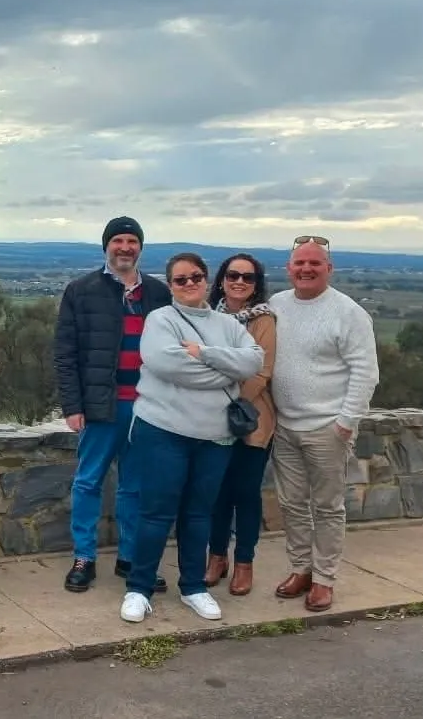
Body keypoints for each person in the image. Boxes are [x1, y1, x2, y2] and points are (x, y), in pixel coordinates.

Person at [119, 252, 263, 624]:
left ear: (206, 279)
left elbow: (253, 361)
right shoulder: (160, 320)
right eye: (181, 279)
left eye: (196, 277)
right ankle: (139, 587)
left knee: (199, 514)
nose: (190, 284)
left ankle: (193, 587)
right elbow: (167, 364)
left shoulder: (227, 324)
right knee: (155, 512)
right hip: (163, 431)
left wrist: (205, 354)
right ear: (170, 285)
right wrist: (227, 371)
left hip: (214, 437)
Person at [53, 216, 172, 594]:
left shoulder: (158, 293)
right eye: (118, 240)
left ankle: (130, 557)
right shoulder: (81, 291)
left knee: (134, 486)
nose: (125, 247)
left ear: (140, 248)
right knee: (88, 481)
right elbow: (65, 354)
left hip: (147, 408)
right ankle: (84, 557)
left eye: (132, 241)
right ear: (106, 246)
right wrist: (72, 405)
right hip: (100, 406)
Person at [269, 237, 379, 612]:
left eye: (315, 263)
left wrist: (346, 422)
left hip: (328, 428)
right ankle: (301, 569)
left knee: (328, 507)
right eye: (299, 263)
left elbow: (365, 372)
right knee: (292, 504)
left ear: (329, 269)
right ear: (289, 269)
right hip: (284, 426)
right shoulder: (277, 304)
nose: (306, 269)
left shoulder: (348, 313)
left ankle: (324, 579)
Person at [204, 254, 277, 596]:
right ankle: (217, 557)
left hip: (250, 420)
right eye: (233, 275)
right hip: (212, 422)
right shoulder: (208, 317)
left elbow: (262, 372)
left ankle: (244, 563)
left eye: (248, 277)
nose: (239, 282)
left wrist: (226, 398)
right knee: (217, 492)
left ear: (256, 285)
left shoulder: (263, 320)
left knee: (245, 493)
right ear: (222, 280)